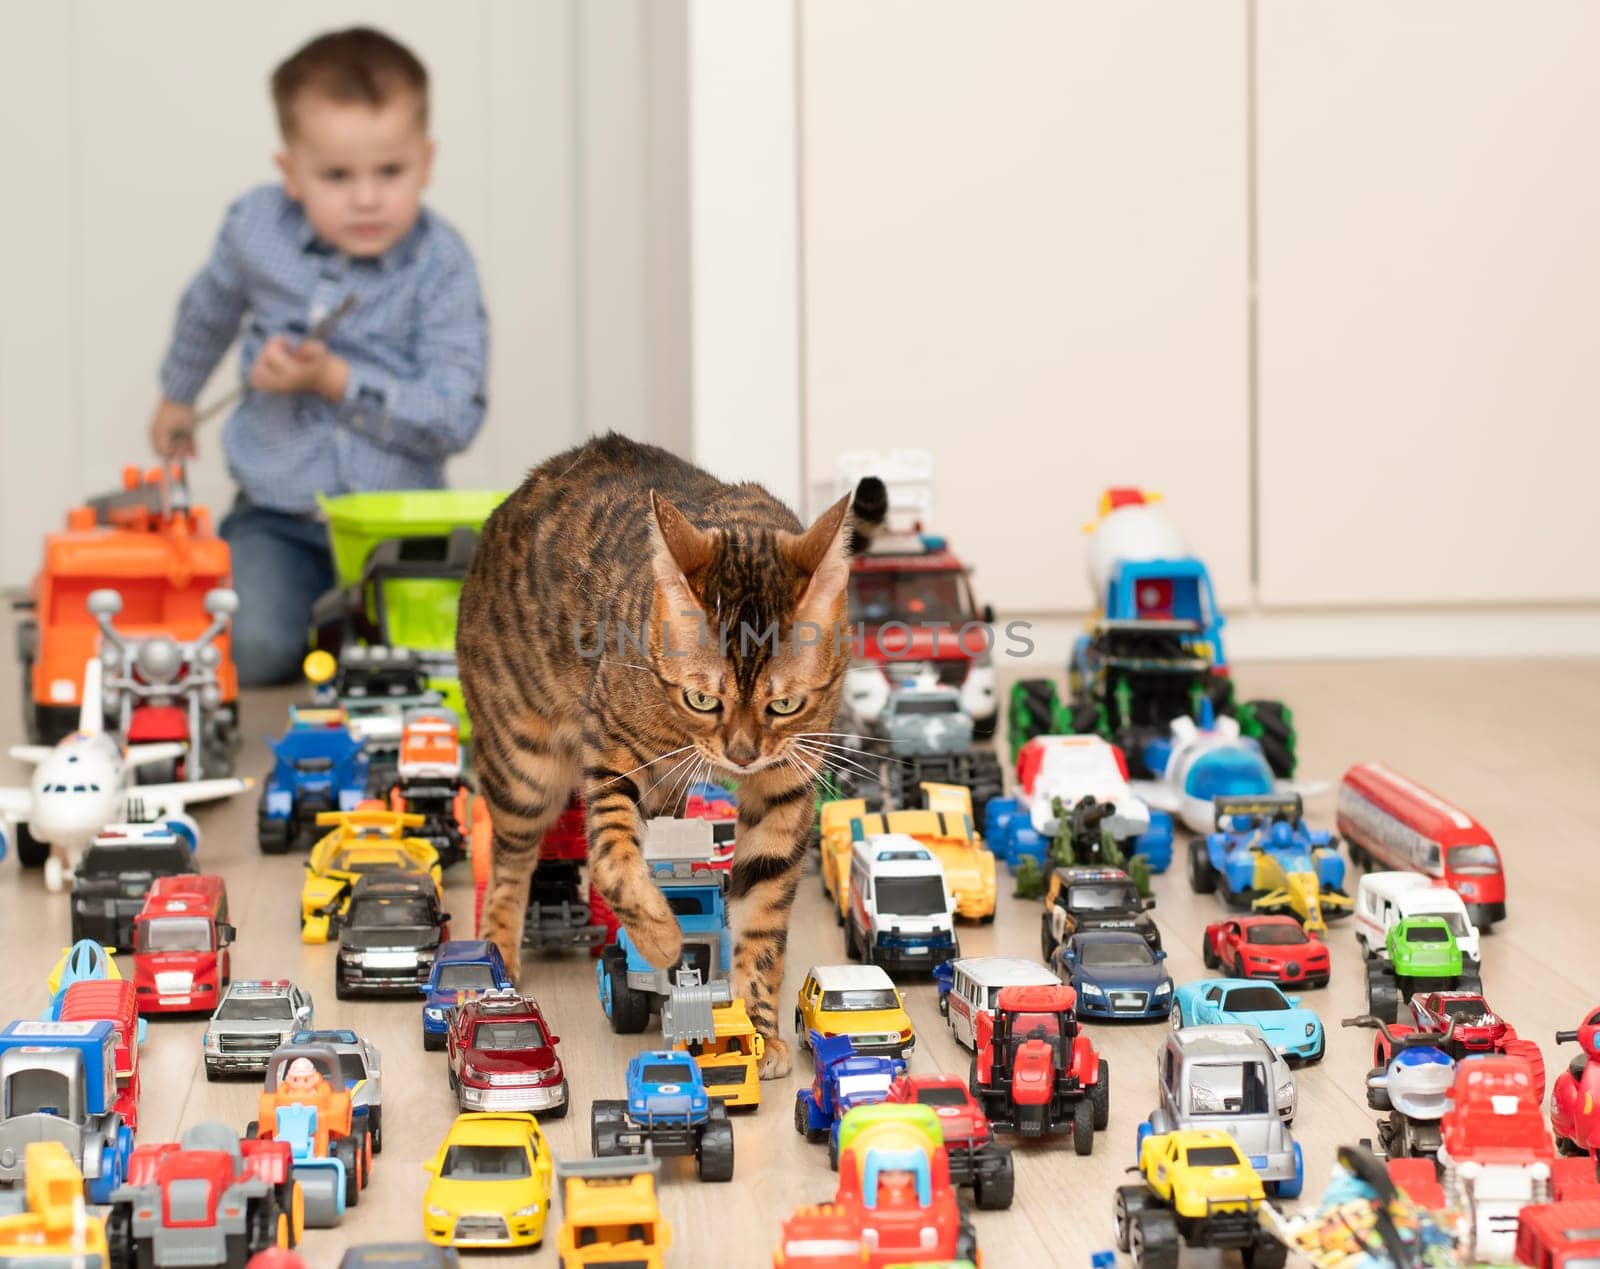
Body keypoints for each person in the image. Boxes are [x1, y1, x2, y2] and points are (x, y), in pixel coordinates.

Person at [149, 27, 489, 686]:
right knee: (251, 650)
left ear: (427, 161)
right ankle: (307, 621)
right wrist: (177, 396)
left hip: (402, 525)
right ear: (291, 173)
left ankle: (349, 639)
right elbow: (207, 310)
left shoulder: (443, 266)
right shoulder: (256, 230)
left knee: (437, 661)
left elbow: (457, 414)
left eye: (390, 172)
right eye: (336, 175)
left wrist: (335, 379)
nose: (366, 198)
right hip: (277, 514)